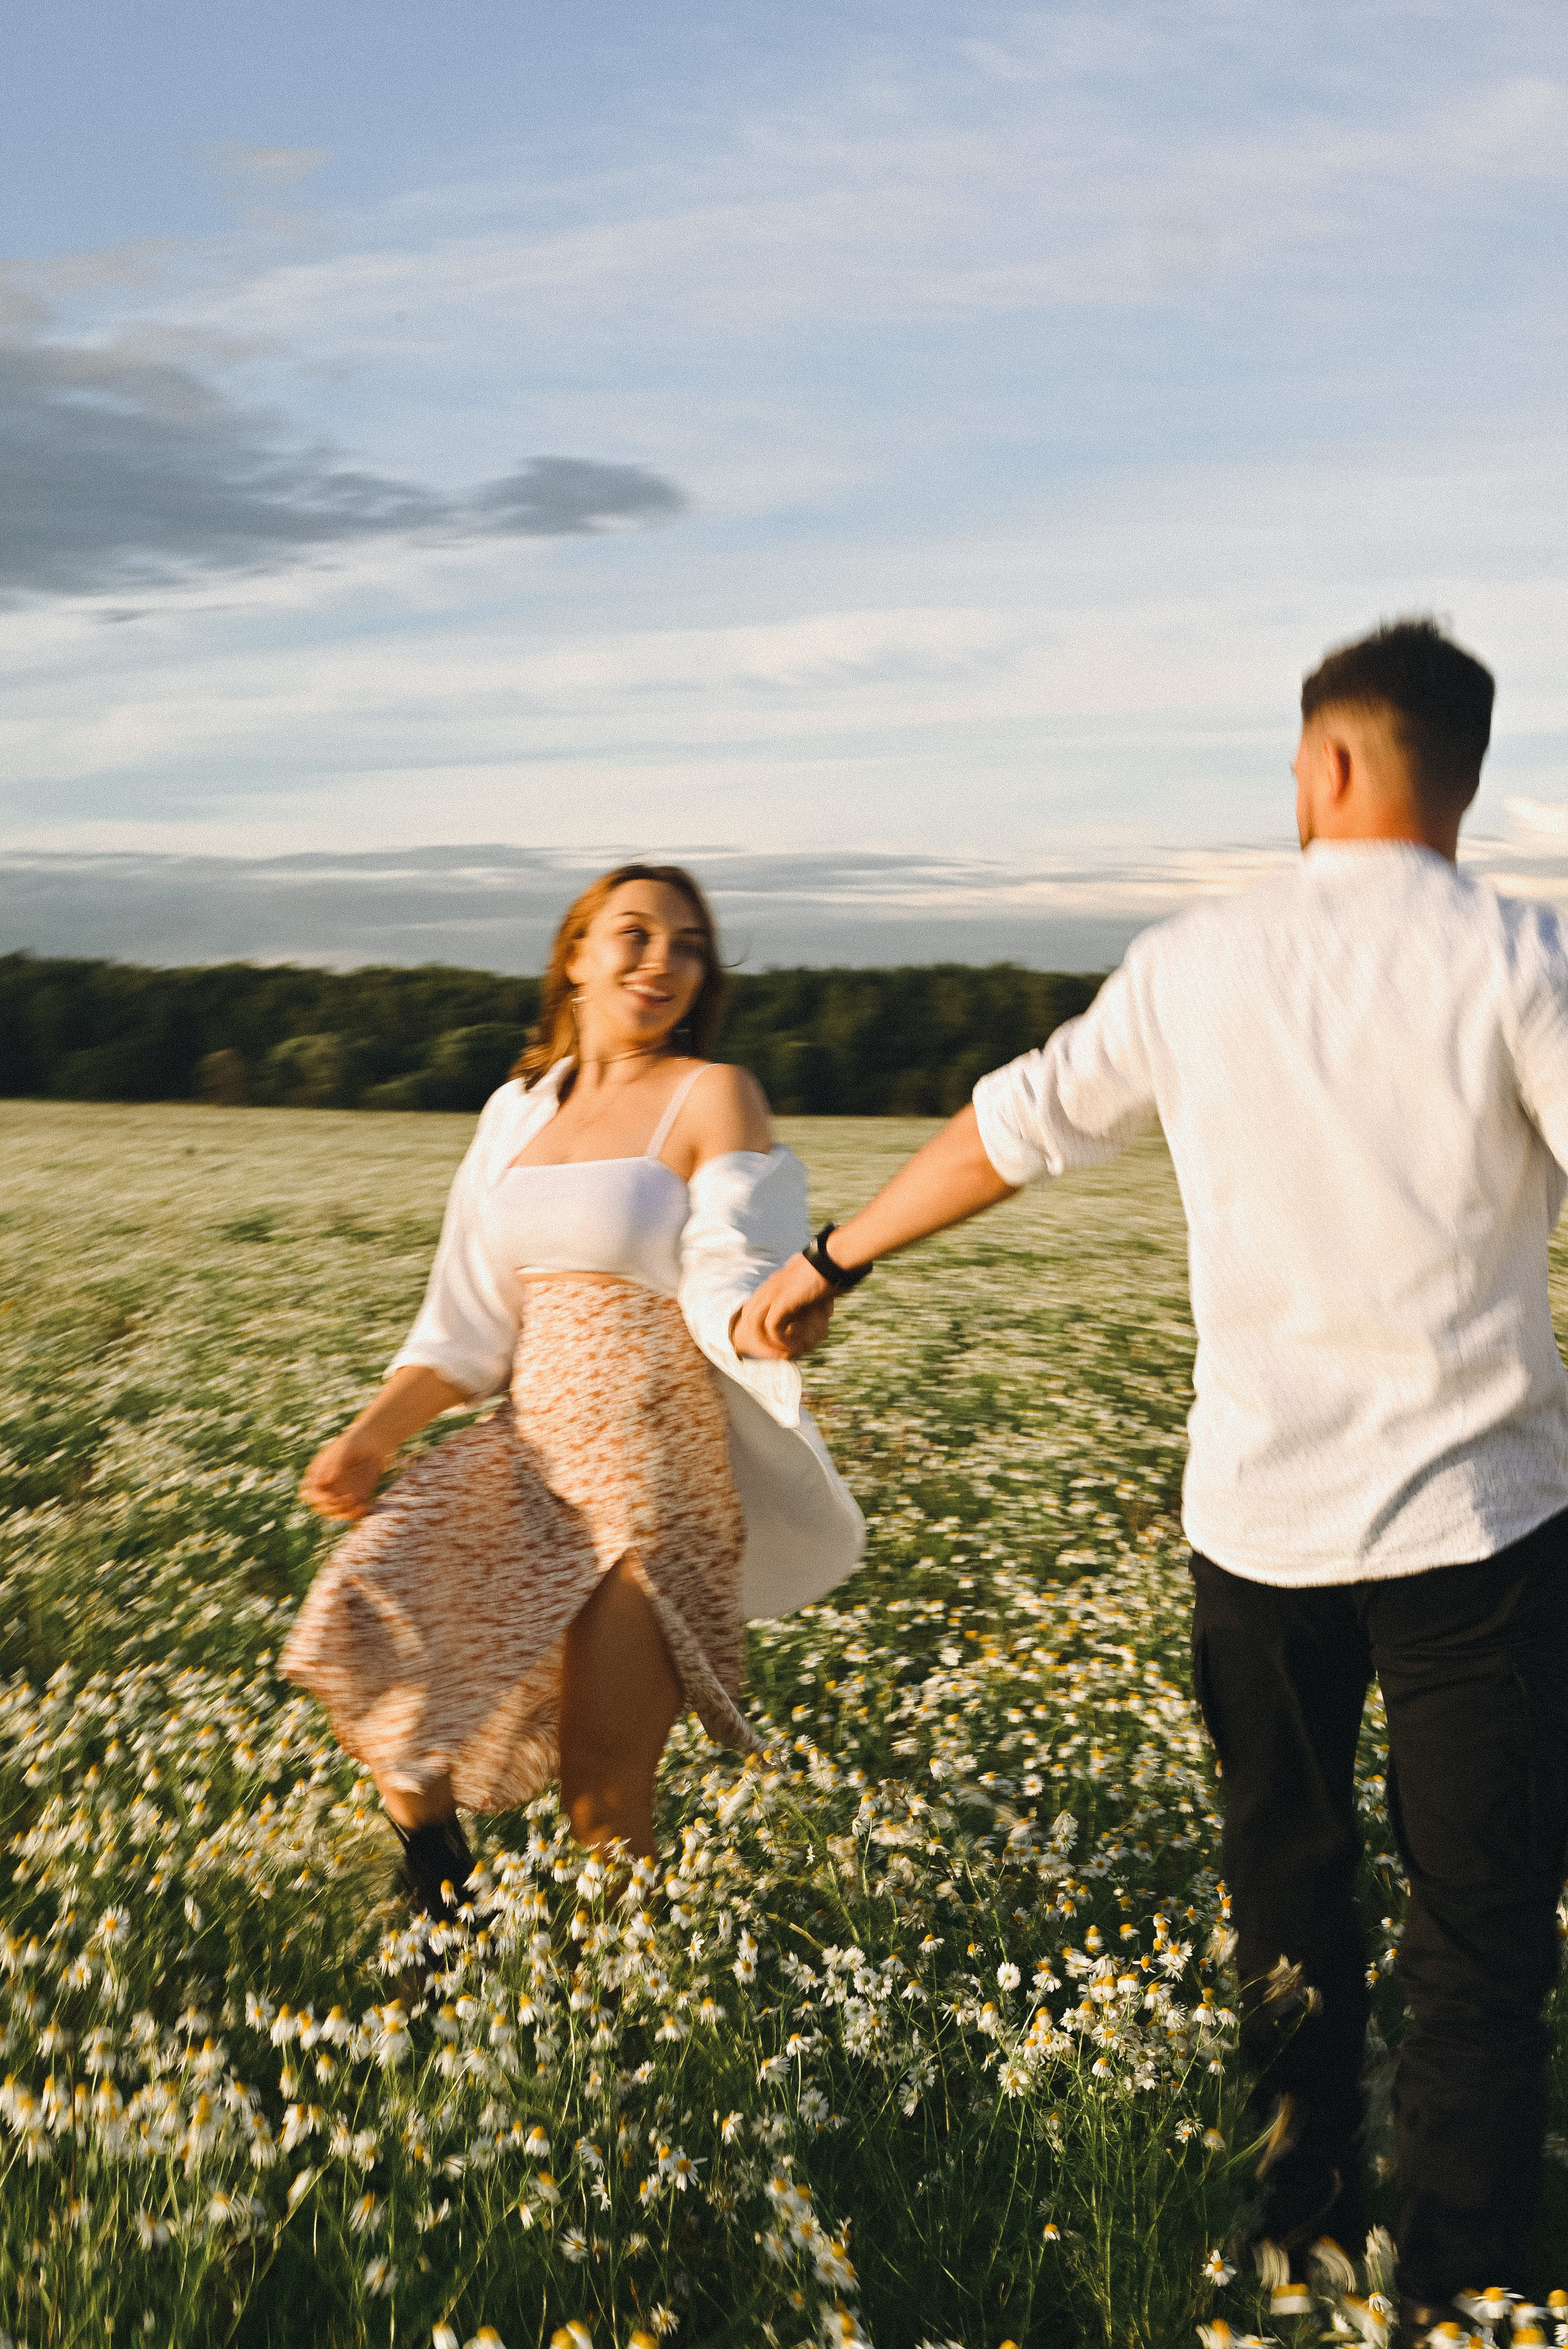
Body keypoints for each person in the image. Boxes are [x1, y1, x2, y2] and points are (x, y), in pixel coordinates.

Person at [734, 621, 1568, 2331]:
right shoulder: (1522, 956)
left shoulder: (1202, 960)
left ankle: (1301, 2221)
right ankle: (1471, 2283)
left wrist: (834, 1256)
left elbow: (1016, 1127)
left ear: (1332, 763)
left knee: (1289, 1879)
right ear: (1462, 777)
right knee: (1480, 1919)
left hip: (1256, 1522)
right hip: (1484, 1529)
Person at [286, 861, 862, 1923]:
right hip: (529, 1448)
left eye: (689, 944)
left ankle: (620, 2014)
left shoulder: (712, 1092)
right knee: (358, 1624)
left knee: (603, 1786)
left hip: (652, 1468)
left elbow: (736, 1264)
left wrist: (773, 1316)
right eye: (635, 934)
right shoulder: (515, 1113)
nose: (662, 962)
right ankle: (442, 1884)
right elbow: (466, 1321)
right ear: (576, 953)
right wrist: (372, 1435)